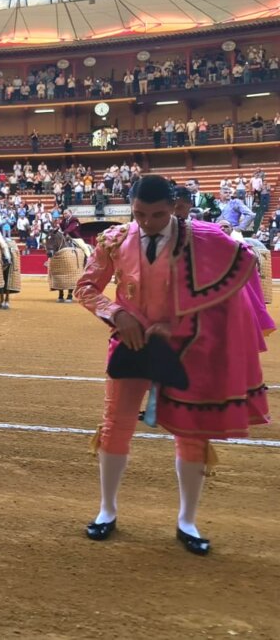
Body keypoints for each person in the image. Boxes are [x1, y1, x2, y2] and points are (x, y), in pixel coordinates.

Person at [74, 175, 270, 555]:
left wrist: (177, 323)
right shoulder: (114, 239)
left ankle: (187, 521)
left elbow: (230, 289)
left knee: (192, 434)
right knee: (116, 427)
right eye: (140, 214)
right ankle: (106, 511)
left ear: (175, 207)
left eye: (158, 214)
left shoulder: (204, 238)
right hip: (130, 342)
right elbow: (85, 287)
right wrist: (117, 314)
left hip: (187, 345)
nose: (147, 222)